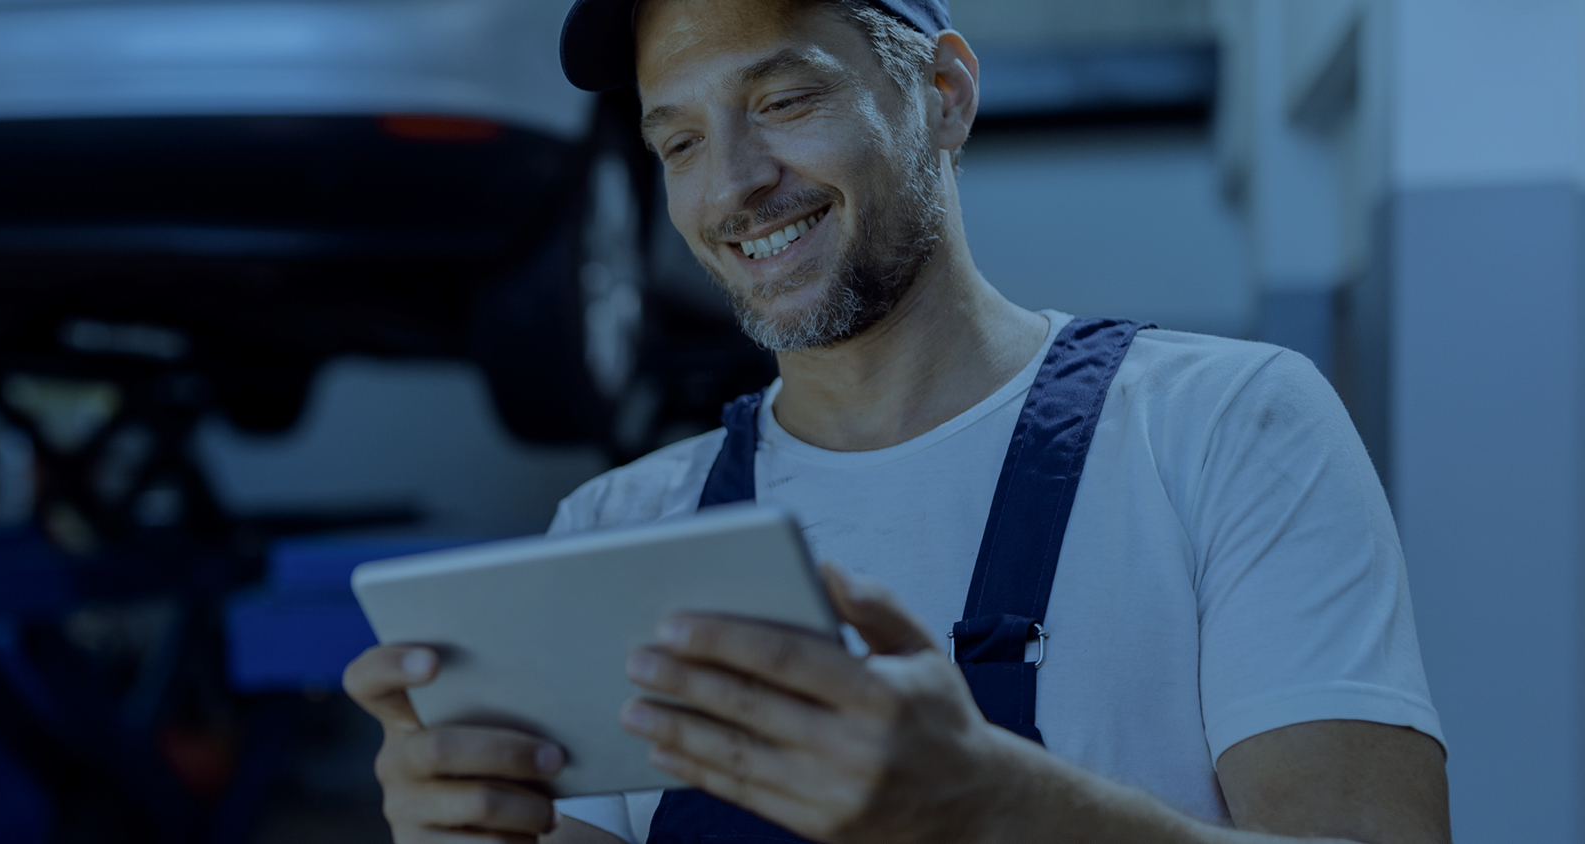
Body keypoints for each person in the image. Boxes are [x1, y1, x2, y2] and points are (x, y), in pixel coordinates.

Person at [341, 0, 1452, 842]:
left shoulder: (1227, 428)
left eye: (785, 100)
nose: (732, 186)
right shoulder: (615, 528)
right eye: (678, 141)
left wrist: (994, 805)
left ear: (945, 92)